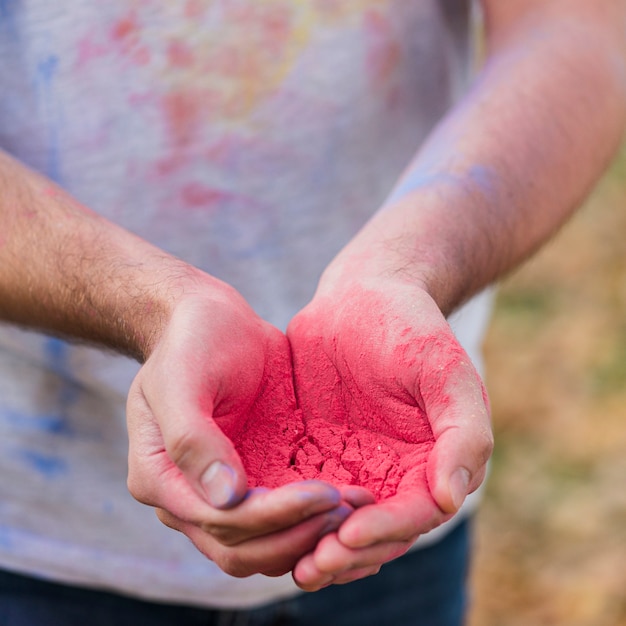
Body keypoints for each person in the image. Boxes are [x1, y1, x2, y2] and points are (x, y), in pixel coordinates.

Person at [0, 1, 624, 624]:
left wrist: (403, 270)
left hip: (398, 468)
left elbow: (577, 28)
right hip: (34, 537)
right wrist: (149, 305)